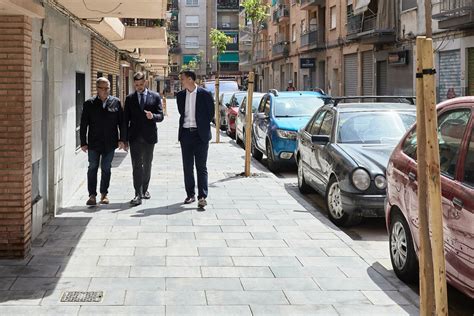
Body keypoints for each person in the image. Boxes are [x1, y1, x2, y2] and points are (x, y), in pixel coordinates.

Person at [80, 77, 125, 206]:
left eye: (108, 88)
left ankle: (104, 194)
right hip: (94, 143)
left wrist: (122, 139)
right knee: (92, 167)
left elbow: (121, 123)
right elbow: (83, 124)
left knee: (106, 168)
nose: (106, 91)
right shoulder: (89, 104)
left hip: (110, 143)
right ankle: (92, 195)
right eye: (103, 88)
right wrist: (83, 142)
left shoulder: (116, 102)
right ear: (97, 89)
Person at [123, 72, 164, 206]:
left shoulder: (155, 96)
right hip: (134, 137)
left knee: (147, 164)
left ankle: (145, 189)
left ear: (145, 82)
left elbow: (161, 116)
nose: (139, 87)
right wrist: (124, 139)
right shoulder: (129, 98)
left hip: (149, 137)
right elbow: (125, 120)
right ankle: (137, 194)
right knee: (136, 165)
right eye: (136, 85)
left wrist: (153, 116)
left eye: (141, 84)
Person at [177, 70, 214, 208]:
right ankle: (190, 195)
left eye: (183, 79)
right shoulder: (180, 96)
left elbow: (211, 113)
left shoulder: (205, 94)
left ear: (191, 79)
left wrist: (202, 127)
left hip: (201, 135)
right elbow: (182, 113)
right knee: (187, 167)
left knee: (201, 166)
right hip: (186, 134)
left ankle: (202, 196)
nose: (181, 81)